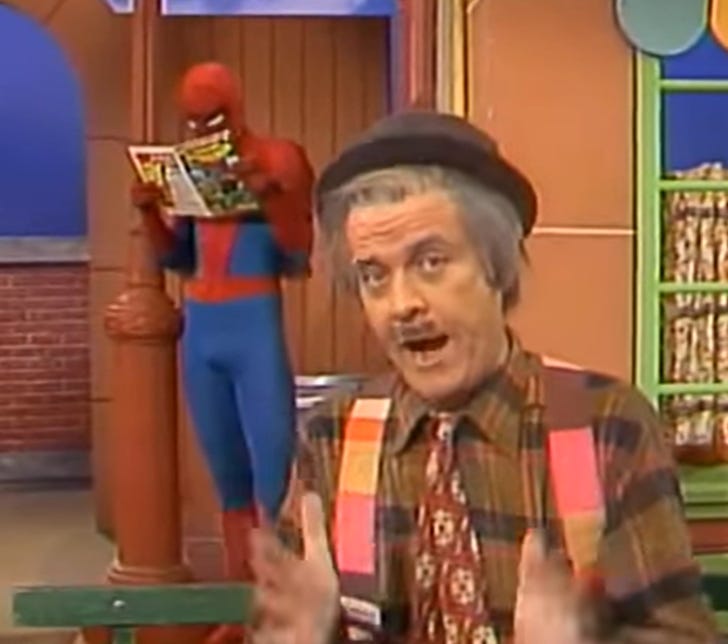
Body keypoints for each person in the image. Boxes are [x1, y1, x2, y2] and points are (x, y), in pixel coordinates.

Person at [248, 110, 720, 644]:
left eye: (431, 262)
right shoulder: (331, 439)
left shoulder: (609, 426)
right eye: (374, 276)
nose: (401, 305)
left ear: (496, 267)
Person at [130, 62, 314, 644]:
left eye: (211, 117)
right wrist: (149, 212)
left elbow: (300, 256)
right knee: (229, 481)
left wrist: (273, 197)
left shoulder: (280, 157)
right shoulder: (195, 168)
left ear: (235, 108)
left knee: (274, 477)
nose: (202, 129)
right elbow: (178, 258)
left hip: (252, 324)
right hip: (203, 332)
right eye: (192, 120)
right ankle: (242, 605)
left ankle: (281, 607)